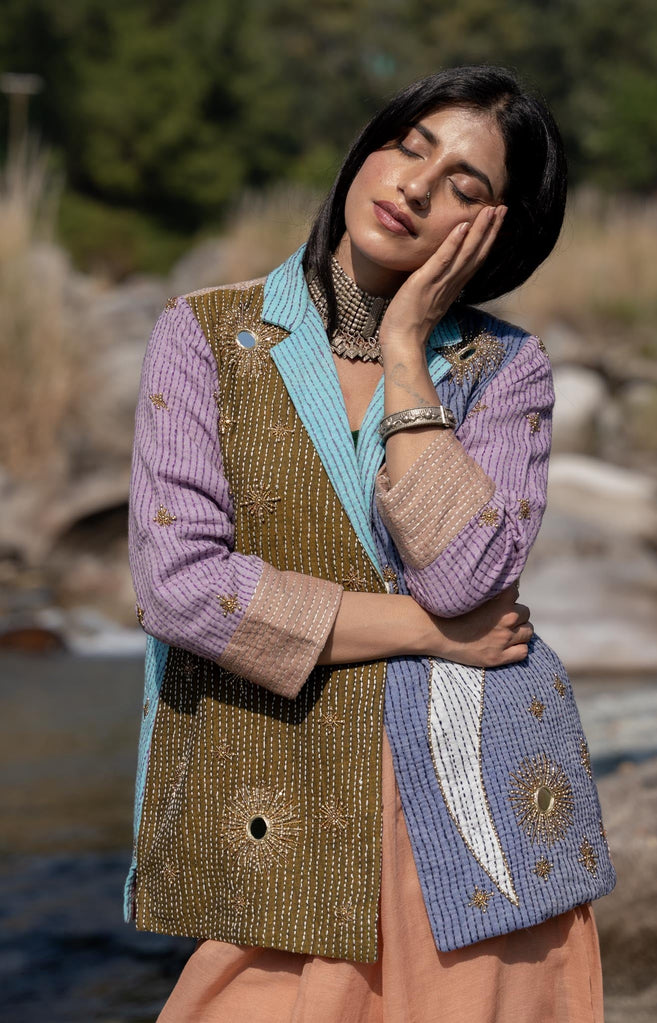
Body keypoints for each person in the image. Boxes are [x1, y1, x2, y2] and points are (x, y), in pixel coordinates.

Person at [124, 64, 617, 1021]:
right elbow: (180, 587)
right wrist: (425, 632)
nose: (417, 186)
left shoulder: (505, 369)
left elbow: (467, 574)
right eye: (409, 146)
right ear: (368, 150)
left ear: (497, 230)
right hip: (277, 791)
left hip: (471, 819)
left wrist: (404, 351)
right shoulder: (207, 335)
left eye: (464, 186)